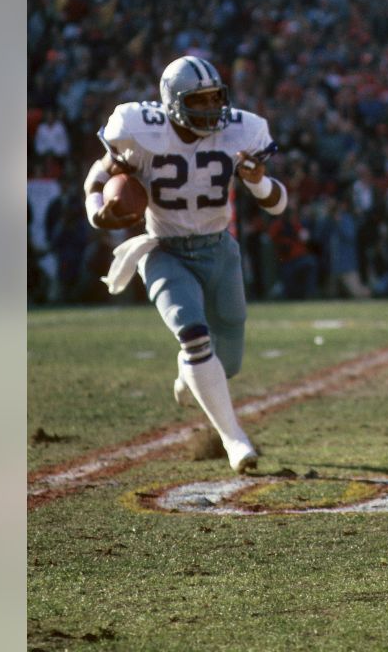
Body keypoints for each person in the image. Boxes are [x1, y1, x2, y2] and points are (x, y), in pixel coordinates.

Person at [84, 55, 287, 474]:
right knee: (194, 335)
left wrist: (257, 180)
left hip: (219, 250)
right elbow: (97, 179)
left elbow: (278, 204)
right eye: (200, 100)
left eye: (216, 98)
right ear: (174, 103)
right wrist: (97, 211)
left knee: (227, 361)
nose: (212, 109)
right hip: (164, 249)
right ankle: (235, 441)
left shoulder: (241, 132)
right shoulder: (139, 131)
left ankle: (188, 376)